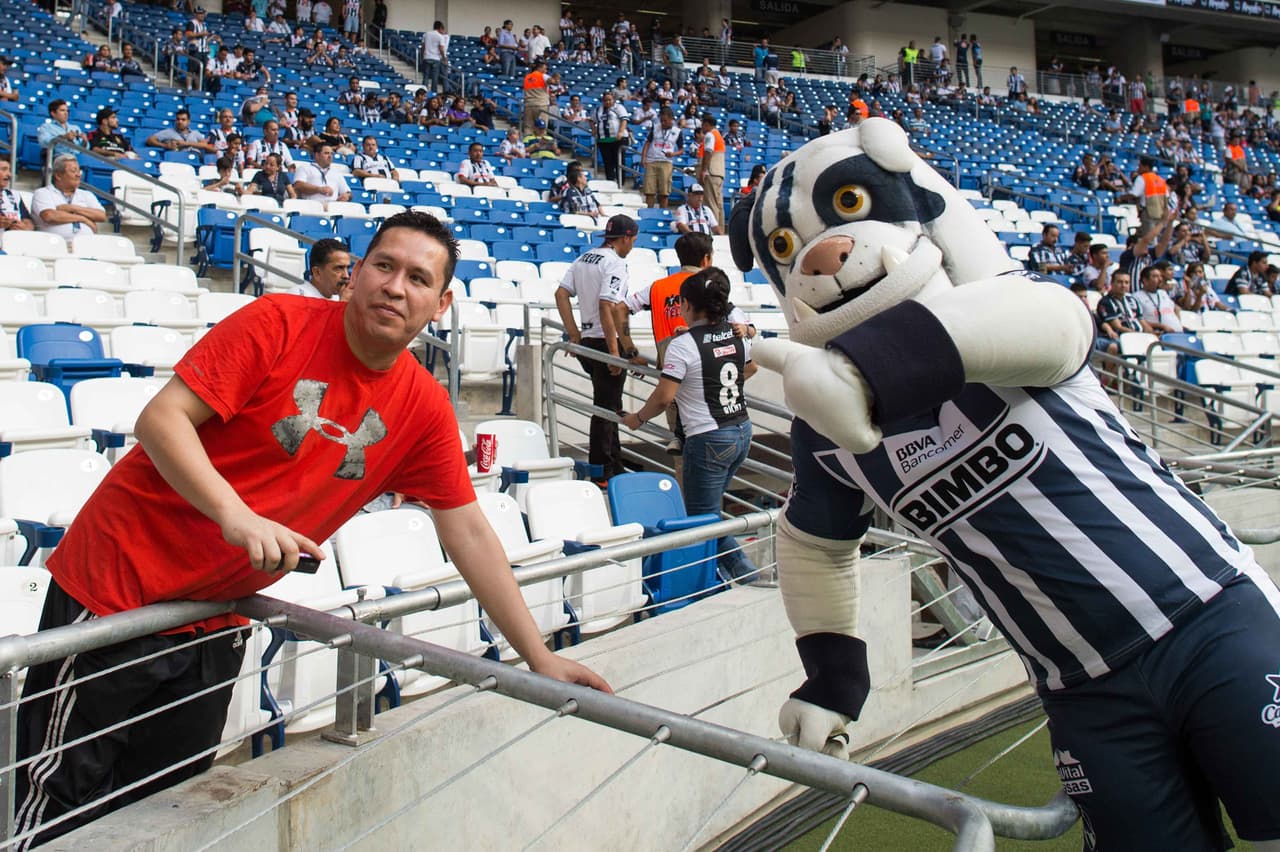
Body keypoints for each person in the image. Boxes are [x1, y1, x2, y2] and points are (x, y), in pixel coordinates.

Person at [14, 211, 612, 848]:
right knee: (57, 807)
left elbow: (466, 530)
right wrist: (236, 516)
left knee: (167, 807)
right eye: (383, 266)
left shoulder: (422, 407)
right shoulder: (276, 324)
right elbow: (162, 420)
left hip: (216, 616)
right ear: (353, 276)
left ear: (440, 304)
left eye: (417, 278)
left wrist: (536, 655)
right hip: (116, 593)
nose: (395, 287)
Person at [622, 267, 758, 581]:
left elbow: (664, 397)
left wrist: (637, 419)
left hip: (708, 438)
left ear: (685, 305)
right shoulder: (735, 334)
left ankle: (744, 576)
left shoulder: (682, 345)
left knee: (702, 519)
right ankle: (722, 576)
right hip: (741, 430)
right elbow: (751, 368)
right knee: (710, 512)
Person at [555, 215, 638, 482]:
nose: (632, 246)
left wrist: (575, 335)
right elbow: (607, 305)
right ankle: (601, 470)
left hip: (588, 340)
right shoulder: (616, 263)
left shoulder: (583, 259)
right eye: (633, 241)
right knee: (605, 407)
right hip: (605, 340)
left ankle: (615, 466)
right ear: (625, 238)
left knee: (611, 404)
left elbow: (561, 294)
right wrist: (615, 352)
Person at [620, 232, 711, 452]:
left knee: (682, 454)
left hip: (672, 381)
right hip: (707, 381)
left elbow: (620, 308)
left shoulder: (657, 287)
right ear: (706, 259)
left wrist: (630, 351)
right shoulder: (711, 285)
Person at [31, 154, 106, 244]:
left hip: (87, 245)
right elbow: (49, 216)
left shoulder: (86, 194)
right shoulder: (43, 193)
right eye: (73, 171)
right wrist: (84, 219)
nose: (78, 175)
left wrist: (71, 208)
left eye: (79, 171)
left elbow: (101, 215)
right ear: (58, 175)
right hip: (54, 245)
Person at [640, 108, 681, 209]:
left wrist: (673, 154)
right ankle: (649, 212)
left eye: (665, 120)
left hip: (666, 162)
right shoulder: (655, 128)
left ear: (671, 119)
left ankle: (662, 213)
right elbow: (647, 143)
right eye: (661, 120)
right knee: (649, 191)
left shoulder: (677, 131)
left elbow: (682, 150)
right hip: (651, 161)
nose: (663, 122)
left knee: (664, 192)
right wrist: (643, 158)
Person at [696, 113, 726, 232]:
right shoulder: (718, 135)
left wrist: (703, 170)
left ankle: (714, 232)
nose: (702, 127)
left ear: (707, 124)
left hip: (711, 172)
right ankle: (721, 231)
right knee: (718, 204)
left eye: (703, 125)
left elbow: (708, 152)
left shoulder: (709, 135)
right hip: (719, 173)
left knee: (710, 203)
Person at [593, 91, 628, 185]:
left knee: (619, 161)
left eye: (609, 100)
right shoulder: (597, 110)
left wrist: (620, 132)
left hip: (618, 139)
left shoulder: (619, 107)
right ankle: (610, 181)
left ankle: (621, 182)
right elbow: (591, 120)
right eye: (605, 100)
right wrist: (594, 130)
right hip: (603, 139)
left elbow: (624, 120)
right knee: (608, 162)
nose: (607, 102)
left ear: (613, 100)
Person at [1132, 265, 1181, 333]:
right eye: (1155, 276)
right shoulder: (1136, 297)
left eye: (1160, 276)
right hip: (1158, 334)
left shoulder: (1163, 293)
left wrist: (1178, 323)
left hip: (1177, 333)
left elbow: (1176, 308)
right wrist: (1161, 326)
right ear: (1145, 280)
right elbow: (1137, 319)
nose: (1160, 279)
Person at [145, 109, 213, 153]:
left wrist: (186, 144)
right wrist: (165, 145)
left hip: (195, 157)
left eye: (183, 120)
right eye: (178, 119)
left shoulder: (195, 133)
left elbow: (204, 145)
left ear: (188, 121)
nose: (180, 122)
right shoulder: (168, 132)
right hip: (178, 158)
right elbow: (150, 140)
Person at [0, 160, 34, 232]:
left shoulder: (14, 195)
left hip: (16, 239)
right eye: (3, 169)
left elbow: (28, 220)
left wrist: (26, 227)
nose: (9, 175)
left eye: (9, 170)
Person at [522, 58, 550, 135]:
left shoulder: (527, 77)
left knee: (528, 127)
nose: (546, 70)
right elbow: (553, 82)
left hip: (528, 104)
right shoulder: (543, 76)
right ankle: (540, 145)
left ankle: (527, 144)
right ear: (540, 67)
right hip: (541, 104)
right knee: (542, 127)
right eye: (545, 68)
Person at [421, 20, 448, 92]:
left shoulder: (426, 34)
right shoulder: (440, 36)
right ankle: (433, 92)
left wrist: (422, 56)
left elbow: (423, 47)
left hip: (427, 57)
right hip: (436, 58)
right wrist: (444, 58)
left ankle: (423, 91)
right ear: (440, 28)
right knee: (434, 77)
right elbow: (441, 49)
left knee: (426, 76)